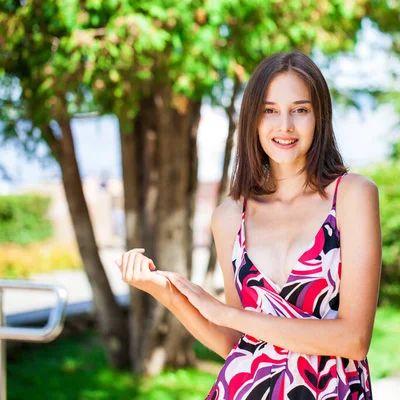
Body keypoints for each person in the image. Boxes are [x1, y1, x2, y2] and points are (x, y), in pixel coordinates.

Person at [116, 50, 382, 399]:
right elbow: (236, 344)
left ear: (320, 117)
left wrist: (226, 314)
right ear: (253, 119)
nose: (284, 125)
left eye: (299, 110)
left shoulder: (352, 196)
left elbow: (354, 340)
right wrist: (166, 294)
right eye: (269, 110)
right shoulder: (229, 216)